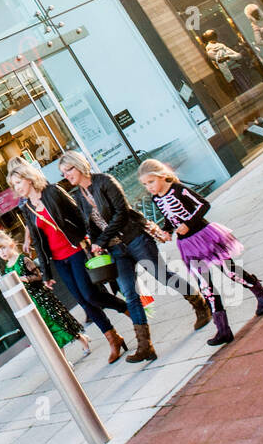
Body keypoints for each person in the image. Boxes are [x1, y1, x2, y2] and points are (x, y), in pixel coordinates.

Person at [58, 151, 212, 365]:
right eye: (63, 173)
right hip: (115, 250)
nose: (66, 175)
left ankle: (200, 304)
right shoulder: (78, 196)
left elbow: (121, 213)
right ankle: (145, 346)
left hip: (135, 239)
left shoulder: (104, 181)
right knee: (130, 293)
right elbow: (90, 225)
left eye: (69, 169)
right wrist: (96, 244)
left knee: (163, 276)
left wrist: (101, 240)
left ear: (79, 166)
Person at [6, 157, 130, 363]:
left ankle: (127, 309)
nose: (16, 188)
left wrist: (89, 239)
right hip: (59, 260)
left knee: (91, 295)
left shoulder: (52, 192)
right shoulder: (26, 208)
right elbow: (38, 240)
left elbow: (79, 213)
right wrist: (46, 273)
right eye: (13, 185)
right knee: (83, 301)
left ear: (29, 179)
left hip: (76, 251)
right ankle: (113, 338)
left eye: (18, 182)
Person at [138, 158, 263, 347]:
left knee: (229, 271)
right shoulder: (156, 199)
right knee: (205, 285)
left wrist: (188, 224)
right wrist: (167, 230)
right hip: (187, 245)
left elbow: (203, 205)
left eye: (151, 181)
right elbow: (169, 218)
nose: (149, 187)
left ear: (162, 176)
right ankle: (223, 329)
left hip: (204, 235)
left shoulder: (178, 189)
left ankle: (262, 293)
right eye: (145, 184)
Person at [0, 232, 91, 358]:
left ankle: (81, 341)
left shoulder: (23, 259)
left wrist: (25, 278)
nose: (2, 253)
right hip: (30, 302)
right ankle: (64, 360)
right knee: (49, 331)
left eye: (3, 248)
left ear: (11, 244)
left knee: (60, 323)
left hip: (42, 298)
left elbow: (38, 276)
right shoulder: (7, 268)